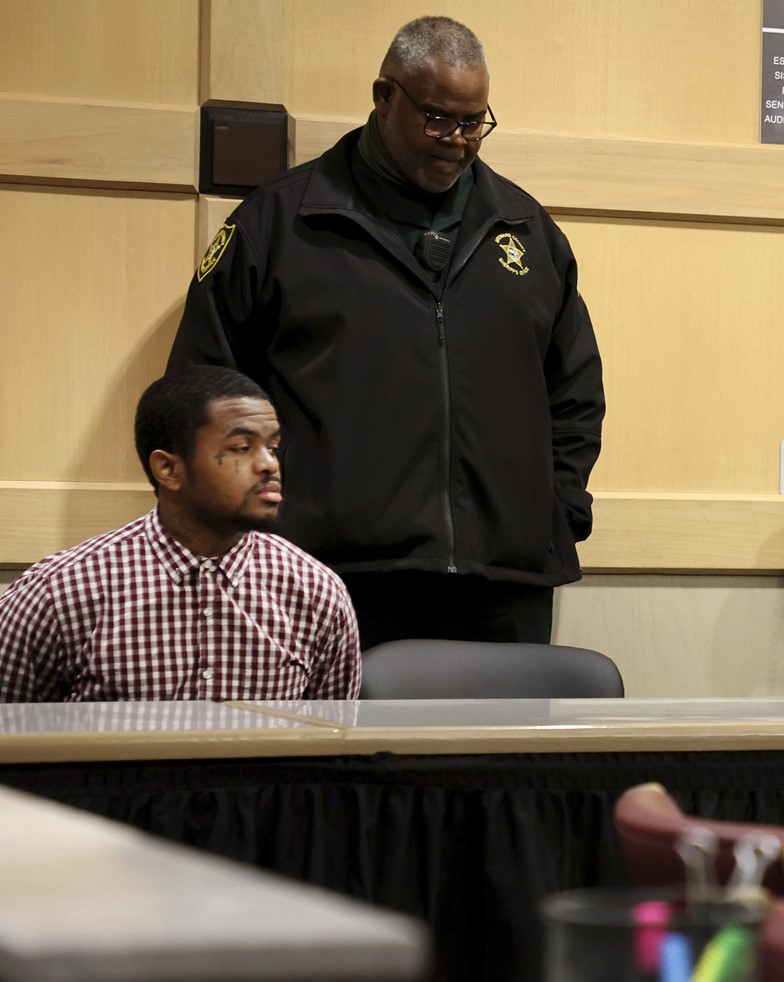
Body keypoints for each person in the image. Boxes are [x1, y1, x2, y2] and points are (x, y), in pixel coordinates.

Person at [168, 16, 604, 648]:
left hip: (504, 584)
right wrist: (252, 527)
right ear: (384, 96)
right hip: (324, 578)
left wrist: (555, 513)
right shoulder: (283, 223)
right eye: (436, 119)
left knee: (497, 752)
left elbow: (574, 395)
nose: (456, 141)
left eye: (473, 122)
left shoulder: (528, 232)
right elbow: (202, 390)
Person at [0, 368, 361, 702]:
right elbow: (11, 742)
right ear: (169, 469)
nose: (269, 464)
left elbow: (331, 752)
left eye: (272, 446)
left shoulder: (315, 592)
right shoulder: (59, 592)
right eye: (242, 448)